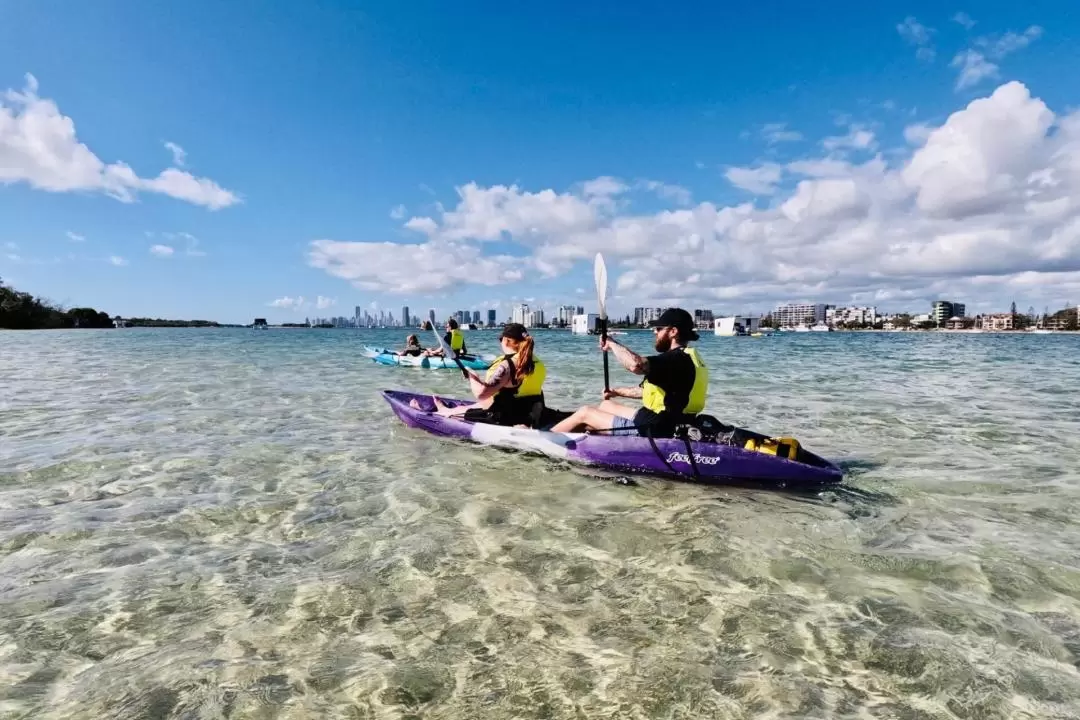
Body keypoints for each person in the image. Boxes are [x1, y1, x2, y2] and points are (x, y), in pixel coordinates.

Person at [549, 307, 709, 437]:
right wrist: (616, 392)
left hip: (655, 429)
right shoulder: (691, 358)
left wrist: (612, 344)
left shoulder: (675, 359)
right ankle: (579, 434)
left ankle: (546, 439)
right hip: (669, 421)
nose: (655, 332)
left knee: (585, 413)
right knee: (606, 404)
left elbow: (636, 365)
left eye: (659, 328)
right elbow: (648, 391)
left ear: (673, 331)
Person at [410, 323, 547, 426]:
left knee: (454, 414)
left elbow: (481, 394)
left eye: (501, 339)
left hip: (505, 416)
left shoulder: (508, 365)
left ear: (506, 340)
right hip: (529, 412)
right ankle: (446, 409)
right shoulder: (538, 363)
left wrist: (472, 376)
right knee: (469, 407)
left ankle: (436, 413)